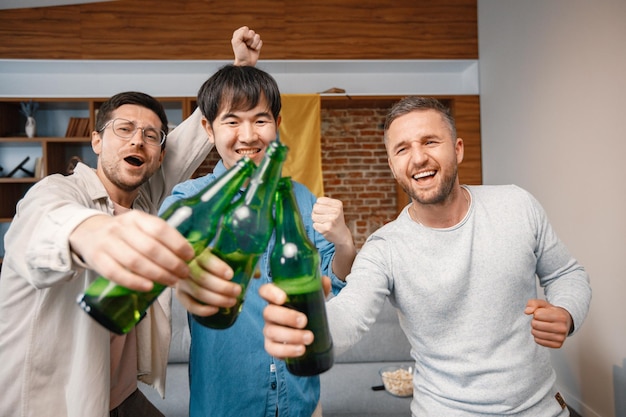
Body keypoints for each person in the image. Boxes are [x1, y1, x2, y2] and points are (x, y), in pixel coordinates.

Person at [258, 96, 592, 416]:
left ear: (457, 149)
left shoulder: (517, 205)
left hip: (541, 409)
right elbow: (350, 314)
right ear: (392, 166)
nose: (418, 158)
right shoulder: (384, 247)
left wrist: (566, 312)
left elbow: (566, 274)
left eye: (430, 141)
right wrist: (307, 324)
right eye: (402, 149)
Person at [0, 26, 262, 417]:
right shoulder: (56, 192)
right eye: (124, 130)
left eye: (151, 136)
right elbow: (47, 225)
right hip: (54, 403)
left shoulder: (145, 201)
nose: (138, 140)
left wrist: (239, 71)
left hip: (120, 395)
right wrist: (95, 235)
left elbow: (188, 142)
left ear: (157, 156)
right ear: (97, 141)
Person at [160, 64, 357, 417]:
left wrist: (345, 244)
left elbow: (333, 281)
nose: (248, 135)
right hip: (225, 402)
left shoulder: (303, 199)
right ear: (208, 128)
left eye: (260, 120)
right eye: (232, 121)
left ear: (277, 126)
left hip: (301, 400)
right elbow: (169, 265)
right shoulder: (187, 202)